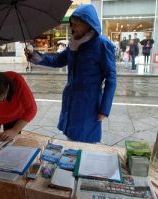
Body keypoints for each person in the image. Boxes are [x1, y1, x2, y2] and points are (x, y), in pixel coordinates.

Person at [25, 4, 116, 143]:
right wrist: (33, 55)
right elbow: (57, 60)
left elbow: (111, 77)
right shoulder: (74, 44)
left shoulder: (102, 44)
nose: (74, 28)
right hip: (71, 99)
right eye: (72, 24)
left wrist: (104, 109)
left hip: (89, 102)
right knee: (70, 138)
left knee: (86, 140)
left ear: (89, 25)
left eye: (78, 24)